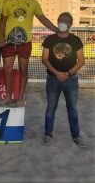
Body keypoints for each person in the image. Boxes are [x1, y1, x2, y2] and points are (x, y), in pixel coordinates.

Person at [0, 0, 57, 106]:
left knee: (23, 70)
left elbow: (43, 19)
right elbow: (2, 22)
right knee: (7, 69)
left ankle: (20, 97)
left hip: (25, 43)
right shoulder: (8, 3)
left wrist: (57, 30)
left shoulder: (34, 3)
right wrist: (1, 39)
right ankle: (8, 96)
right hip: (9, 43)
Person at [41, 12, 86, 149]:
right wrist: (57, 73)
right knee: (50, 108)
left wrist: (67, 73)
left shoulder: (76, 40)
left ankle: (76, 135)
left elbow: (81, 61)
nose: (63, 22)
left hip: (71, 79)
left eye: (66, 20)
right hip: (52, 78)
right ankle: (48, 134)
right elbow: (44, 59)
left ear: (70, 24)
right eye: (61, 19)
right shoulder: (49, 39)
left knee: (72, 108)